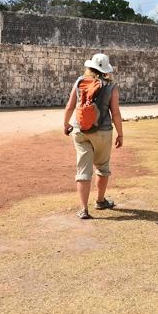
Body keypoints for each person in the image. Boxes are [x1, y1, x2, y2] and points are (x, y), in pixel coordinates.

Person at [63, 53, 124, 219]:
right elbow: (116, 113)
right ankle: (100, 200)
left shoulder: (79, 82)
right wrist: (120, 134)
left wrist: (66, 124)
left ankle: (83, 209)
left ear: (89, 67)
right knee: (102, 167)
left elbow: (70, 106)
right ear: (106, 70)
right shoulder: (111, 87)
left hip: (80, 130)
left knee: (83, 169)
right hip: (103, 131)